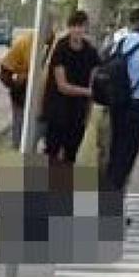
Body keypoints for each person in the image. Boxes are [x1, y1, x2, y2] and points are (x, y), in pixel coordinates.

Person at [99, 5, 139, 206]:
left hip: (116, 102)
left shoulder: (122, 41)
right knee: (124, 158)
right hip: (135, 106)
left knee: (113, 155)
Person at [40, 11, 99, 165]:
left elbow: (93, 79)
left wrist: (89, 111)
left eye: (82, 26)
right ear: (69, 27)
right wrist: (87, 92)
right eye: (75, 26)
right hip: (57, 108)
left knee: (71, 153)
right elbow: (62, 86)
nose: (78, 30)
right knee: (52, 150)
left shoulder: (91, 52)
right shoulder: (60, 49)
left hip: (78, 111)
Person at [0, 26, 38, 149]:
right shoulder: (25, 43)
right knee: (20, 135)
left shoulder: (57, 45)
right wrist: (16, 85)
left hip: (48, 99)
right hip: (23, 95)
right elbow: (4, 71)